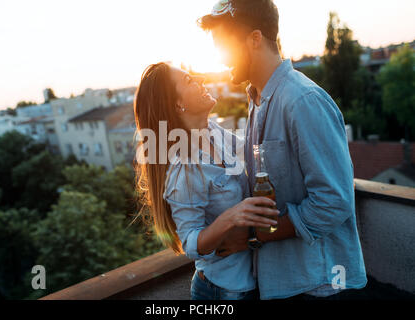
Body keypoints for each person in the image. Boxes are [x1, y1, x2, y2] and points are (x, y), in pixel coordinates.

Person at [198, 0, 367, 300]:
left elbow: (334, 202)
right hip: (287, 284)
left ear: (254, 38)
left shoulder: (302, 101)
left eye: (225, 44)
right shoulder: (257, 99)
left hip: (321, 287)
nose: (221, 57)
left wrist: (251, 236)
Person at [133, 62, 279, 300]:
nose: (201, 80)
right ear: (178, 104)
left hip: (253, 282)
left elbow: (255, 151)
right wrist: (230, 217)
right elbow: (191, 244)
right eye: (190, 80)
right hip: (225, 291)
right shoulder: (184, 167)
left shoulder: (213, 132)